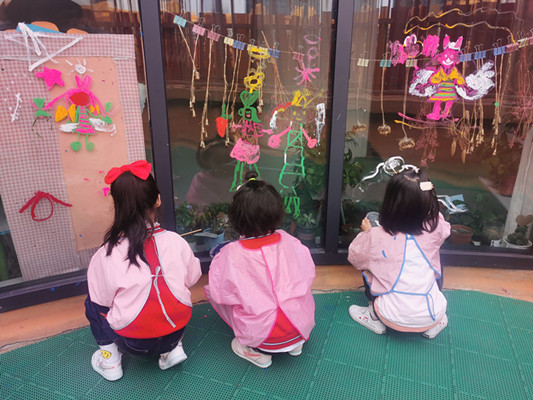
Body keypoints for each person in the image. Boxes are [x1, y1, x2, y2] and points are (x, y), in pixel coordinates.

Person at [85, 160, 201, 381]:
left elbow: (102, 299)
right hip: (175, 331)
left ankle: (110, 361)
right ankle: (172, 350)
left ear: (118, 205)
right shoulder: (176, 241)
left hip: (131, 342)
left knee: (92, 302)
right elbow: (193, 277)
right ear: (157, 199)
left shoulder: (107, 253)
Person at [204, 171, 316, 368]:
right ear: (277, 212)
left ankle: (255, 352)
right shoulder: (289, 240)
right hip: (301, 327)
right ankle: (295, 345)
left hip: (262, 337)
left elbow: (219, 293)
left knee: (216, 293)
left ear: (236, 218)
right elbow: (308, 274)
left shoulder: (230, 253)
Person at [348, 167, 450, 339]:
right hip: (434, 314)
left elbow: (355, 257)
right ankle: (435, 323)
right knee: (434, 263)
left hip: (389, 315)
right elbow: (442, 223)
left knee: (368, 264)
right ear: (429, 203)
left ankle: (373, 317)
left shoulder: (376, 236)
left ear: (390, 204)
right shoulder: (436, 227)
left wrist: (367, 233)